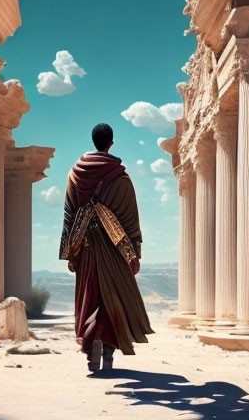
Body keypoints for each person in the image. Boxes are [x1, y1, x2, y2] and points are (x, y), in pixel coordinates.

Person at [59, 123, 153, 373]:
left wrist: (69, 251)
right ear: (111, 143)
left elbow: (69, 214)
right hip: (114, 249)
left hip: (86, 247)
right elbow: (130, 217)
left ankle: (92, 350)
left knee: (90, 297)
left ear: (94, 141)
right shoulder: (120, 177)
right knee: (112, 299)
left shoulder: (74, 175)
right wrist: (134, 252)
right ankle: (108, 352)